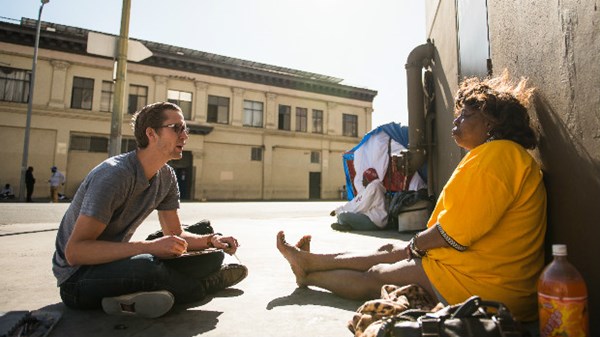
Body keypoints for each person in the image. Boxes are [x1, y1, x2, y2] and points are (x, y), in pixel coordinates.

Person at [277, 71, 546, 322]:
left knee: (378, 275)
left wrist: (415, 245)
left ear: (490, 121)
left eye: (465, 115)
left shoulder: (499, 156)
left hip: (487, 288)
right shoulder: (499, 155)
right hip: (480, 270)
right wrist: (413, 248)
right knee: (388, 250)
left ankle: (309, 275)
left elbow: (454, 236)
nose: (456, 120)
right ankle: (310, 262)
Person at [52, 102, 248, 318]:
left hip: (114, 261)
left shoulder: (167, 176)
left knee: (208, 248)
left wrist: (211, 240)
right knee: (148, 266)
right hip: (78, 279)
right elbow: (76, 252)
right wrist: (149, 247)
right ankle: (199, 286)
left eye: (186, 129)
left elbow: (175, 234)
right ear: (151, 134)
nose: (184, 136)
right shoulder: (114, 176)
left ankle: (147, 292)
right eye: (177, 128)